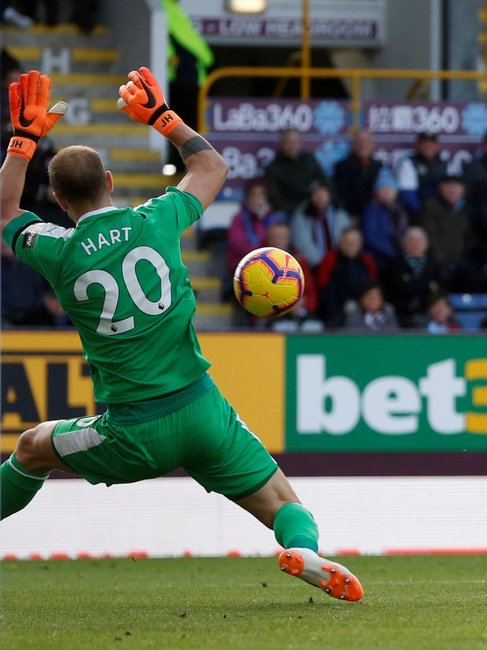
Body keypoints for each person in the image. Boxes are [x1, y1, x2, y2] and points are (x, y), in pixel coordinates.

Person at [0, 70, 362, 601]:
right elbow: (211, 166)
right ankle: (304, 550)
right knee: (285, 502)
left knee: (32, 446)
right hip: (200, 411)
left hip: (132, 431)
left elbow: (6, 210)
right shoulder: (158, 219)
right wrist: (161, 116)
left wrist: (22, 141)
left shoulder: (58, 251)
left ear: (55, 197)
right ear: (111, 180)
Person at [263, 129, 328, 216]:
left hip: (312, 207)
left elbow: (324, 181)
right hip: (287, 211)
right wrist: (298, 210)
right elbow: (275, 199)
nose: (291, 146)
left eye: (294, 142)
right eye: (287, 142)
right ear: (281, 144)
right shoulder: (273, 168)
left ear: (300, 143)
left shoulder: (309, 160)